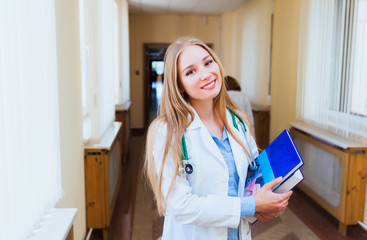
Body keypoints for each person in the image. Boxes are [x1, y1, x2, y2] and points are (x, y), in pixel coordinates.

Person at [144, 37, 292, 240]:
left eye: (208, 62)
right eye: (190, 71)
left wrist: (271, 202)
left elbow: (254, 179)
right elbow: (181, 205)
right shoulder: (167, 131)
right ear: (179, 85)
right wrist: (252, 205)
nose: (205, 74)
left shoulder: (238, 121)